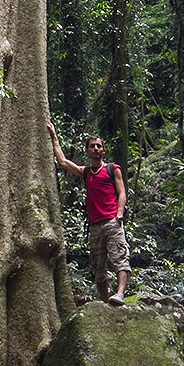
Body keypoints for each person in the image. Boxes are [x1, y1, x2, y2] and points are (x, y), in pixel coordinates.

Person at [48, 122, 129, 303]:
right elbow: (62, 162)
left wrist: (119, 214)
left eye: (98, 146)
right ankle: (106, 301)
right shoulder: (86, 172)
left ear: (103, 150)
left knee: (120, 257)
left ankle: (120, 294)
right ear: (87, 151)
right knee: (98, 265)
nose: (95, 149)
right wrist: (54, 138)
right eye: (92, 147)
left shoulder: (112, 169)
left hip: (112, 221)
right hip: (94, 225)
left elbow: (122, 192)